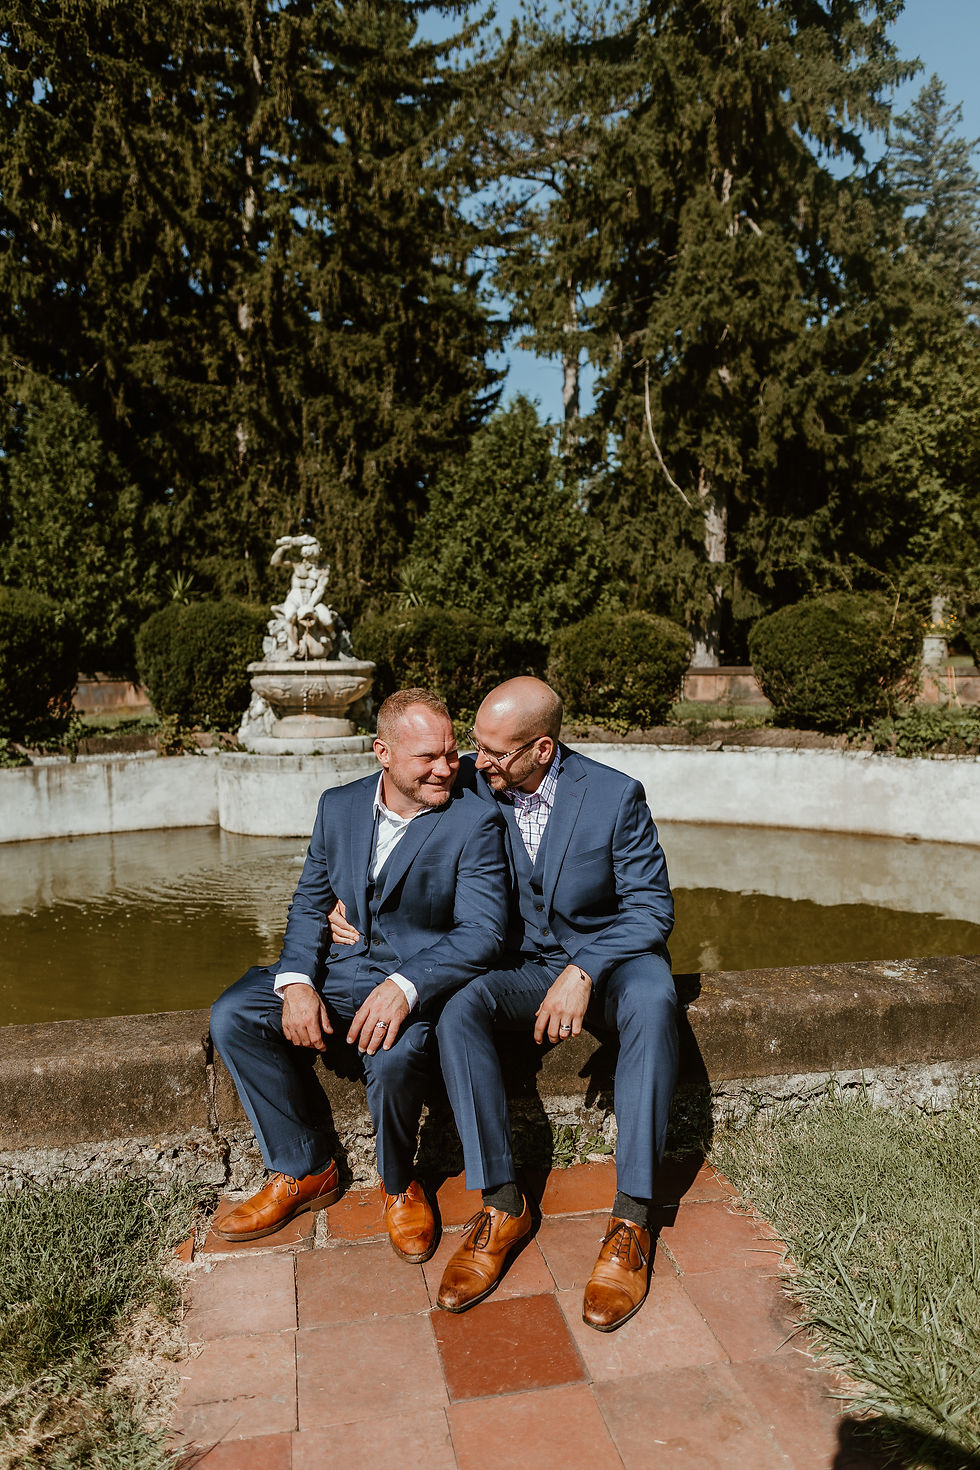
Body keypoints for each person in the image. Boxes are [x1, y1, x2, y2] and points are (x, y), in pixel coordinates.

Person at [209, 687, 509, 1262]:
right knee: (233, 1015)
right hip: (335, 969)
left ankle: (399, 1185)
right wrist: (296, 980)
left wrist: (405, 987)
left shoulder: (475, 821)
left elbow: (484, 931)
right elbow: (307, 901)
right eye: (428, 757)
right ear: (383, 753)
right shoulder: (338, 806)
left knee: (396, 1059)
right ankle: (304, 1168)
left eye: (451, 752)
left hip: (411, 981)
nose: (446, 768)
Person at [435, 677, 677, 1330]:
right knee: (459, 1007)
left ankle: (633, 1220)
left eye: (494, 751)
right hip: (516, 969)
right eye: (473, 743)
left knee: (656, 1000)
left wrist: (587, 967)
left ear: (542, 749)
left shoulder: (614, 796)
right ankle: (502, 1202)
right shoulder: (461, 779)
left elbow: (653, 908)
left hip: (607, 966)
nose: (475, 761)